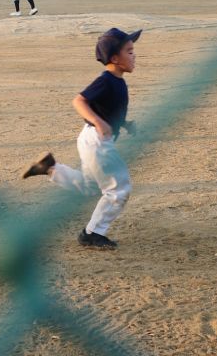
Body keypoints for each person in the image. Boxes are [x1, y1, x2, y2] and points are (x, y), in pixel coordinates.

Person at [21, 27, 141, 249]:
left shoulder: (117, 81)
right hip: (97, 141)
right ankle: (93, 233)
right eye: (129, 51)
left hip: (92, 139)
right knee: (119, 189)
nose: (135, 55)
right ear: (115, 58)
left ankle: (50, 168)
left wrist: (124, 124)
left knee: (90, 186)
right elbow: (79, 101)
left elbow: (110, 110)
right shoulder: (106, 80)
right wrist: (98, 121)